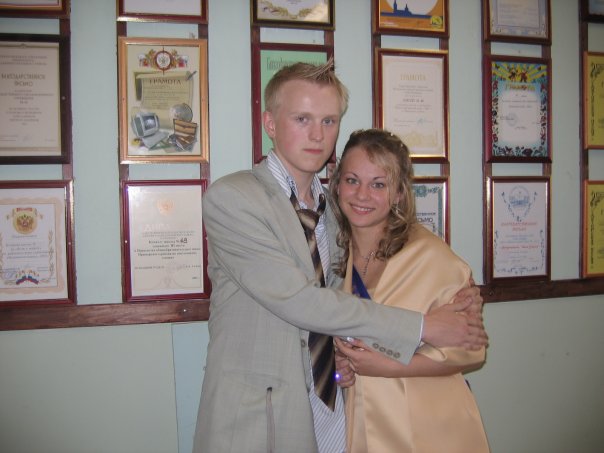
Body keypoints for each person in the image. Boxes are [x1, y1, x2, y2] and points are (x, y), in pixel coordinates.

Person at [193, 61, 487, 453]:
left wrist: (460, 295)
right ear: (270, 123)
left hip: (333, 410)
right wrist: (424, 327)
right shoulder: (235, 199)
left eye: (329, 121)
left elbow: (345, 296)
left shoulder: (337, 212)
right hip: (256, 417)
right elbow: (300, 301)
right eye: (302, 119)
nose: (318, 135)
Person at [331, 129, 490, 452]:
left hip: (430, 428)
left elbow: (471, 352)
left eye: (379, 184)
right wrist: (338, 368)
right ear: (337, 184)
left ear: (400, 193)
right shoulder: (335, 256)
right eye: (352, 180)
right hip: (362, 422)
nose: (362, 195)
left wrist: (388, 366)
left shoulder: (432, 257)